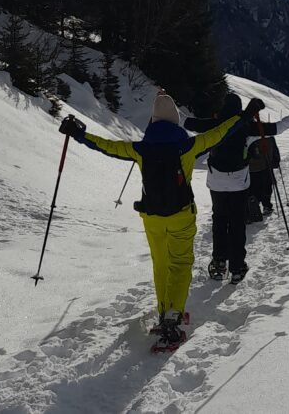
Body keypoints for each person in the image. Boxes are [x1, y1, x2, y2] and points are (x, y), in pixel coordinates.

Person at [58, 92, 263, 350]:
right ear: (176, 122)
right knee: (180, 264)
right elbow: (222, 132)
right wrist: (246, 115)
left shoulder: (140, 149)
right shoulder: (188, 146)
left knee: (161, 264)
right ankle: (173, 316)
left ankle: (165, 311)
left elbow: (107, 146)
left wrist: (79, 134)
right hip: (181, 217)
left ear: (153, 121)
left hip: (152, 218)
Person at [184, 94, 289, 283]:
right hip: (239, 182)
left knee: (219, 220)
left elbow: (186, 123)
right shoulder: (247, 126)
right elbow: (279, 127)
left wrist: (161, 105)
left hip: (216, 182)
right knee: (236, 223)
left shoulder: (213, 124)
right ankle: (237, 267)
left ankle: (219, 262)